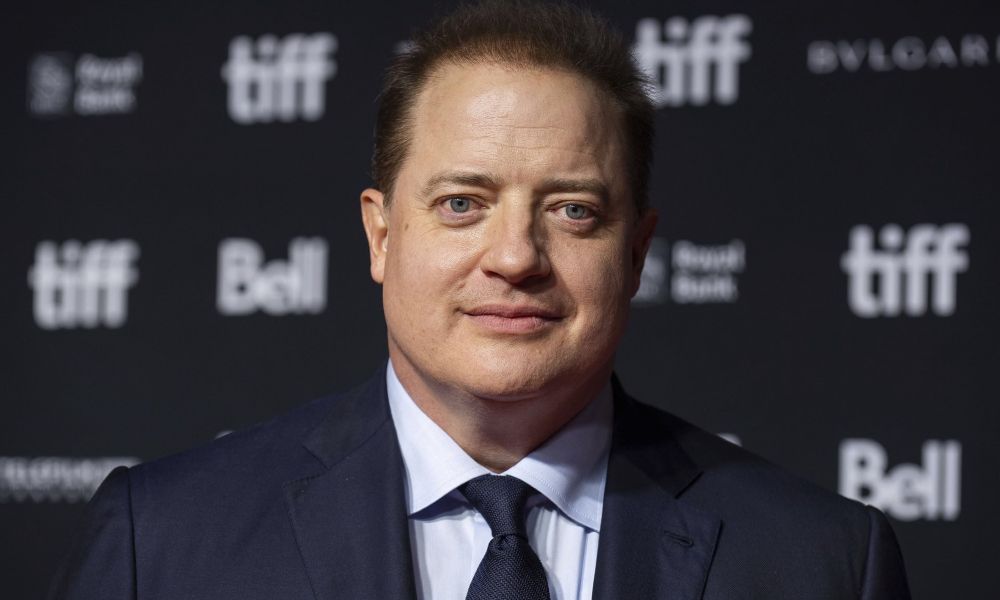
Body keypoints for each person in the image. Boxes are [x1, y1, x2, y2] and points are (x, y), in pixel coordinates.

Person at [50, 1, 911, 599]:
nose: (515, 257)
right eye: (462, 203)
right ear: (382, 236)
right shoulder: (159, 542)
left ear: (638, 252)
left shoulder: (823, 562)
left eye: (573, 211)